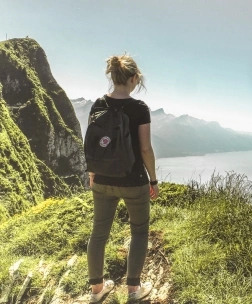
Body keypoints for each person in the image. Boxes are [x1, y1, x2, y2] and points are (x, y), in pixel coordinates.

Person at [86, 53, 159, 303]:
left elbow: (95, 144)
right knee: (139, 233)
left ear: (113, 76)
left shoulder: (97, 105)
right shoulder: (139, 108)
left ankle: (97, 291)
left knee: (98, 234)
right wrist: (153, 180)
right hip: (133, 181)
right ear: (134, 78)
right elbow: (145, 149)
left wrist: (92, 173)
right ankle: (133, 291)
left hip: (103, 181)